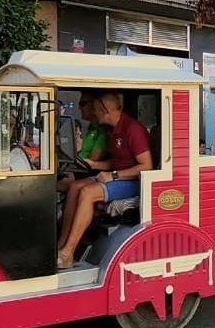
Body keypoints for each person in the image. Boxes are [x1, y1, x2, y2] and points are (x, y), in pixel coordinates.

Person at [57, 93, 151, 269]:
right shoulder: (113, 130)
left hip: (133, 182)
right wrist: (94, 164)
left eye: (94, 108)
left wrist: (113, 175)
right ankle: (61, 245)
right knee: (75, 186)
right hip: (117, 176)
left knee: (87, 192)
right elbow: (115, 161)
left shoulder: (132, 129)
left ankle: (68, 252)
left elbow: (146, 166)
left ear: (103, 110)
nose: (92, 112)